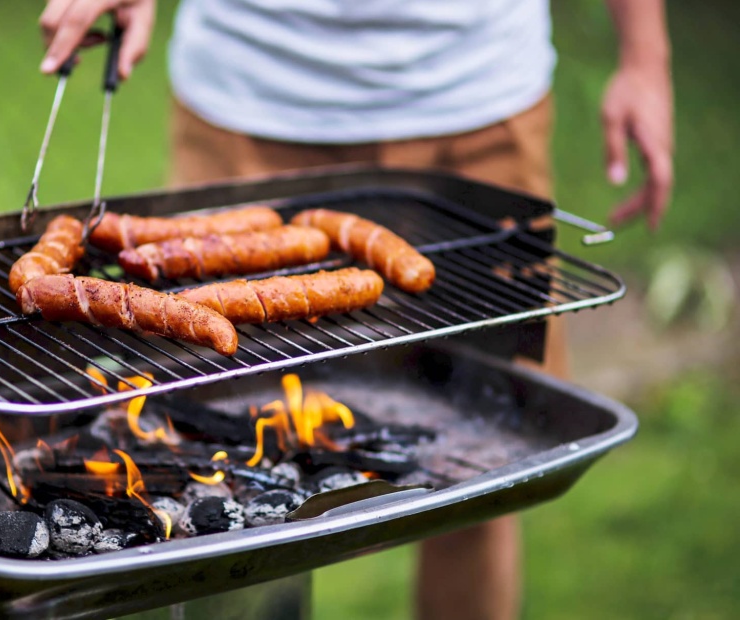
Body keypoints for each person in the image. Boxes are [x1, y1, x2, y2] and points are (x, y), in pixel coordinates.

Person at [38, 1, 673, 618]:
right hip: (251, 91)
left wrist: (646, 58)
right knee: (208, 478)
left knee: (486, 468)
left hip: (475, 96)